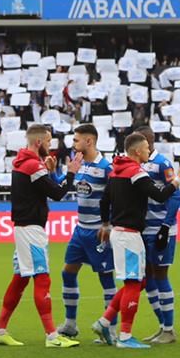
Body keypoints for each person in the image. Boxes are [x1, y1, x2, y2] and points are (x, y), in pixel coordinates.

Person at [91, 133, 180, 349]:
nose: (148, 151)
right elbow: (160, 195)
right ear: (136, 151)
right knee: (134, 284)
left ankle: (105, 321)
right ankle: (125, 336)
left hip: (119, 232)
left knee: (134, 282)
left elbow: (104, 200)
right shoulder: (135, 172)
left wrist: (106, 224)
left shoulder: (117, 170)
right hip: (130, 235)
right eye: (146, 148)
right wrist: (179, 178)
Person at [0, 125, 78, 348]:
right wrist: (71, 172)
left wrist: (50, 172)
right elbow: (58, 194)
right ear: (39, 142)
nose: (50, 147)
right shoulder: (32, 165)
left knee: (20, 279)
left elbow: (45, 188)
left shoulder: (24, 162)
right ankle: (51, 336)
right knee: (42, 278)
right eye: (48, 142)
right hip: (31, 229)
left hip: (25, 227)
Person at [58, 123, 114, 339]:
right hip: (80, 230)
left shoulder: (106, 168)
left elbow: (115, 199)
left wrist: (108, 224)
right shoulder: (77, 164)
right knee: (68, 272)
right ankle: (71, 324)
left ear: (89, 141)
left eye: (76, 140)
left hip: (98, 232)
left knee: (105, 278)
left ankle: (110, 328)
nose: (73, 144)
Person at [135, 128, 180, 344]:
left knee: (161, 274)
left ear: (149, 140)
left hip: (161, 229)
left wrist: (166, 225)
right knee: (149, 275)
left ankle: (169, 329)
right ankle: (163, 326)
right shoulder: (137, 163)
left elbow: (175, 195)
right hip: (144, 228)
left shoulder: (162, 163)